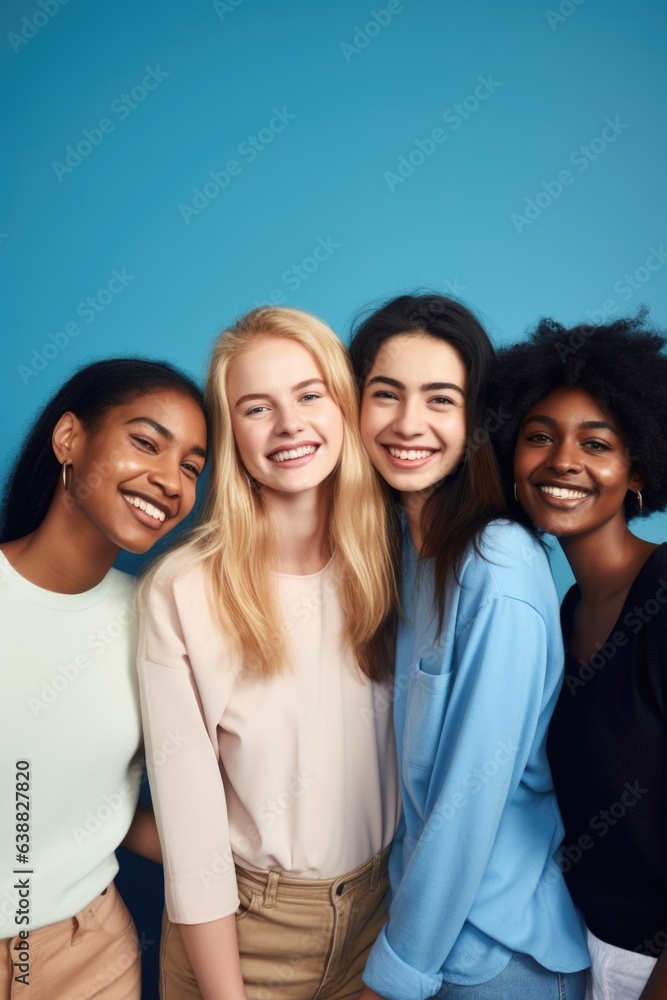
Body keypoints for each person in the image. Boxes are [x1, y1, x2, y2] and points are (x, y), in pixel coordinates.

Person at [137, 306, 400, 1000]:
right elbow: (191, 840)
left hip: (380, 920)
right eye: (257, 408)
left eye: (309, 395)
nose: (289, 425)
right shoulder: (183, 590)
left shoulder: (399, 564)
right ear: (232, 437)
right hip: (244, 934)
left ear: (344, 407)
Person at [348, 294, 590, 1000]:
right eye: (384, 394)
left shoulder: (497, 566)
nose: (407, 424)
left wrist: (393, 974)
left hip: (495, 958)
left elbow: (466, 802)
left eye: (439, 399)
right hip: (429, 935)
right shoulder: (401, 550)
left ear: (474, 421)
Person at [0, 358, 208, 1000]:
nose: (170, 480)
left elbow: (106, 813)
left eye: (192, 468)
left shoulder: (158, 621)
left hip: (90, 956)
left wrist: (258, 852)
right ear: (69, 439)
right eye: (146, 442)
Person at [491, 314, 667, 1000]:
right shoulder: (560, 614)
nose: (562, 460)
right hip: (585, 954)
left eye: (595, 443)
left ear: (637, 471)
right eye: (538, 437)